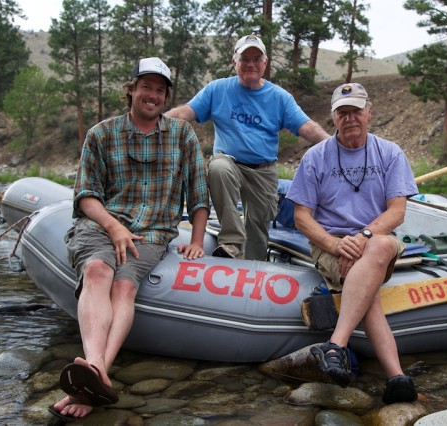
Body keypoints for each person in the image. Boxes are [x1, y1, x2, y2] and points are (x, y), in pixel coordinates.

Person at [49, 57, 210, 421]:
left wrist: (197, 239)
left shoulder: (182, 135)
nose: (152, 95)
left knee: (124, 288)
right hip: (100, 226)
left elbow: (198, 194)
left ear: (165, 96)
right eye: (146, 87)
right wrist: (114, 226)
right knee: (96, 271)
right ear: (131, 90)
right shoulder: (101, 134)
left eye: (159, 89)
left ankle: (92, 376)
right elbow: (86, 195)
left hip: (152, 232)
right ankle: (96, 370)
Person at [286, 82, 419, 404]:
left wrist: (363, 237)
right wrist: (334, 246)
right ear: (333, 118)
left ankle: (336, 345)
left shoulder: (389, 152)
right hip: (331, 242)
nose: (350, 119)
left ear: (368, 113)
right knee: (368, 291)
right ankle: (396, 377)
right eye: (342, 113)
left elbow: (397, 211)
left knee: (382, 246)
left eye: (355, 111)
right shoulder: (315, 157)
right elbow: (302, 217)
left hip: (375, 237)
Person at [164, 34, 329, 261]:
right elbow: (185, 113)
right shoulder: (217, 90)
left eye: (256, 58)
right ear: (235, 63)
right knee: (218, 167)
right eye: (244, 59)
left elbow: (307, 127)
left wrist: (335, 145)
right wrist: (155, 122)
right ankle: (231, 242)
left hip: (263, 170)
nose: (250, 63)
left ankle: (254, 270)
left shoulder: (280, 97)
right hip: (229, 163)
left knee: (257, 231)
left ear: (265, 63)